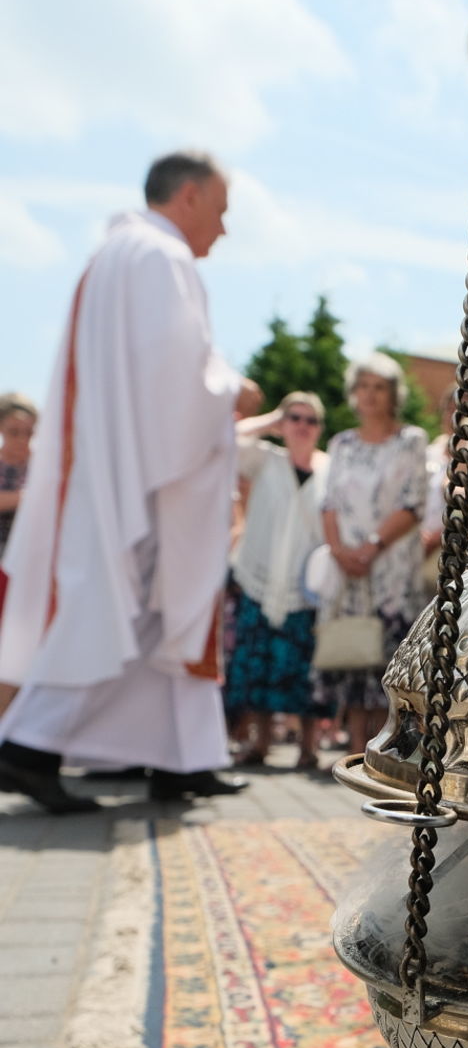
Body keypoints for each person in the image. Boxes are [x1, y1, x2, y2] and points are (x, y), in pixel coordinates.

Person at [0, 151, 245, 813]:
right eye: (220, 212)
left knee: (148, 615)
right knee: (116, 609)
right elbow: (178, 375)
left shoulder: (119, 253)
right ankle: (24, 748)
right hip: (134, 476)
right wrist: (231, 390)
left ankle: (179, 757)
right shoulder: (159, 258)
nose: (222, 230)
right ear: (188, 197)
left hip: (113, 463)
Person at [314, 352, 428, 758]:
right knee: (351, 652)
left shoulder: (410, 440)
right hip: (347, 567)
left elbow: (414, 504)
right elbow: (327, 503)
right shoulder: (341, 443)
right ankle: (353, 745)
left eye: (379, 387)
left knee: (389, 656)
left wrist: (372, 547)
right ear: (353, 393)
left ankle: (389, 747)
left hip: (391, 567)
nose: (370, 394)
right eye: (363, 386)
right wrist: (341, 551)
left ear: (393, 394)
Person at [226, 392, 329, 769]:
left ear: (320, 428)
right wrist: (271, 419)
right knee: (259, 664)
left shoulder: (329, 469)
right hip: (260, 577)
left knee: (305, 669)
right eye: (294, 418)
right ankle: (260, 744)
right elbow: (227, 437)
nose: (302, 426)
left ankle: (308, 747)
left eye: (310, 420)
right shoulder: (266, 460)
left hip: (308, 587)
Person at [0, 393, 36, 607]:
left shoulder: (43, 467)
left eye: (28, 433)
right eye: (14, 432)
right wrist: (29, 497)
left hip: (31, 559)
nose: (22, 439)